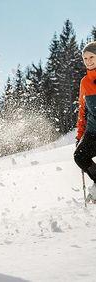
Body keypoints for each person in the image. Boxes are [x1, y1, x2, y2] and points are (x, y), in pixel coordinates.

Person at [74, 41, 96, 203]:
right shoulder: (84, 82)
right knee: (79, 156)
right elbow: (82, 111)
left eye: (92, 57)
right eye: (85, 58)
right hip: (93, 131)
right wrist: (79, 135)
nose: (88, 61)